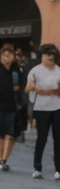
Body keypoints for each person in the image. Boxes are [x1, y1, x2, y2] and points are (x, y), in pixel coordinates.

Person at [26, 43, 60, 180]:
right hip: (41, 108)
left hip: (57, 107)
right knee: (42, 138)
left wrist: (48, 91)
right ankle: (37, 167)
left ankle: (58, 169)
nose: (50, 57)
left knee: (58, 139)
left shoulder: (58, 70)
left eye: (52, 54)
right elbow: (28, 88)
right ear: (42, 56)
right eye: (47, 54)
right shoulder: (35, 71)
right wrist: (41, 90)